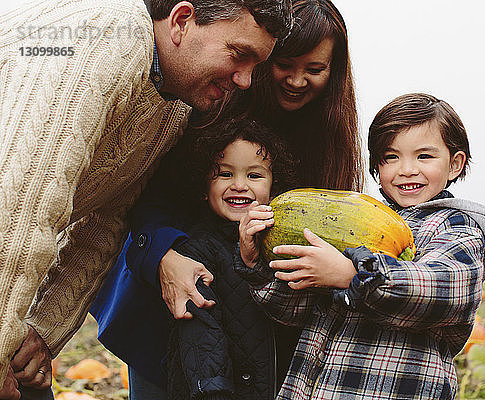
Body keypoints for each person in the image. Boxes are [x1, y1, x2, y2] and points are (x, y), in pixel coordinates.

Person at [0, 0, 292, 398]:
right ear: (181, 21)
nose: (245, 80)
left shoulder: (169, 107)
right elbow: (19, 206)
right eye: (239, 56)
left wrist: (41, 332)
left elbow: (104, 224)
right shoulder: (105, 35)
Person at [90, 0, 361, 396]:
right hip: (179, 298)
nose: (298, 80)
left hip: (266, 325)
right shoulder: (207, 103)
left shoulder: (325, 139)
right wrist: (165, 256)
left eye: (315, 69)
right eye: (286, 63)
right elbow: (145, 194)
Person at [237, 93, 485, 399]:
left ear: (455, 164)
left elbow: (450, 291)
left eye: (424, 156)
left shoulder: (457, 224)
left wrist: (353, 276)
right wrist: (255, 261)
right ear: (376, 166)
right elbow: (292, 311)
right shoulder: (356, 223)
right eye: (391, 157)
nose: (406, 169)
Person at [161, 117, 297, 400]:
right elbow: (199, 330)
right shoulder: (196, 249)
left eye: (254, 176)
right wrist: (213, 391)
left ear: (274, 186)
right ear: (204, 184)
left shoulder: (283, 244)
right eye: (224, 174)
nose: (239, 185)